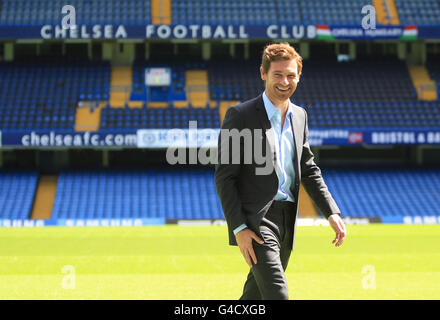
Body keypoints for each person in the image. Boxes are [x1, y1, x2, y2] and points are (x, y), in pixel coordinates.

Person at [214, 42, 347, 300]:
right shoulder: (239, 116)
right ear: (263, 74)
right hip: (257, 220)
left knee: (254, 297)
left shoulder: (300, 116)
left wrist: (331, 211)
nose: (285, 81)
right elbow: (225, 176)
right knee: (278, 294)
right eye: (278, 74)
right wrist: (239, 228)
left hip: (288, 219)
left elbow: (308, 168)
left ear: (299, 77)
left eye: (291, 75)